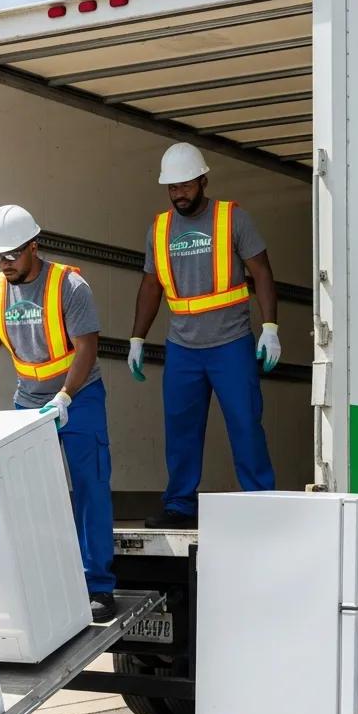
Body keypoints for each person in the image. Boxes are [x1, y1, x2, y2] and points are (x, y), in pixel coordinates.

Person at [0, 204, 117, 623]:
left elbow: (87, 347)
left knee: (90, 488)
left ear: (33, 246)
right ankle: (43, 581)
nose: (5, 264)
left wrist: (66, 397)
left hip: (79, 398)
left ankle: (98, 586)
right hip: (28, 405)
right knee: (28, 495)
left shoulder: (70, 287)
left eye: (12, 255)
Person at [128, 142, 280, 529]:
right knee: (180, 430)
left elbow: (261, 272)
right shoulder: (158, 229)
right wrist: (137, 339)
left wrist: (270, 328)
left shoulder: (232, 218)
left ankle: (261, 501)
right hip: (182, 348)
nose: (179, 193)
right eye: (172, 187)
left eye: (185, 185)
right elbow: (150, 286)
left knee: (246, 424)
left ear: (203, 180)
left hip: (231, 344)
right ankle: (179, 504)